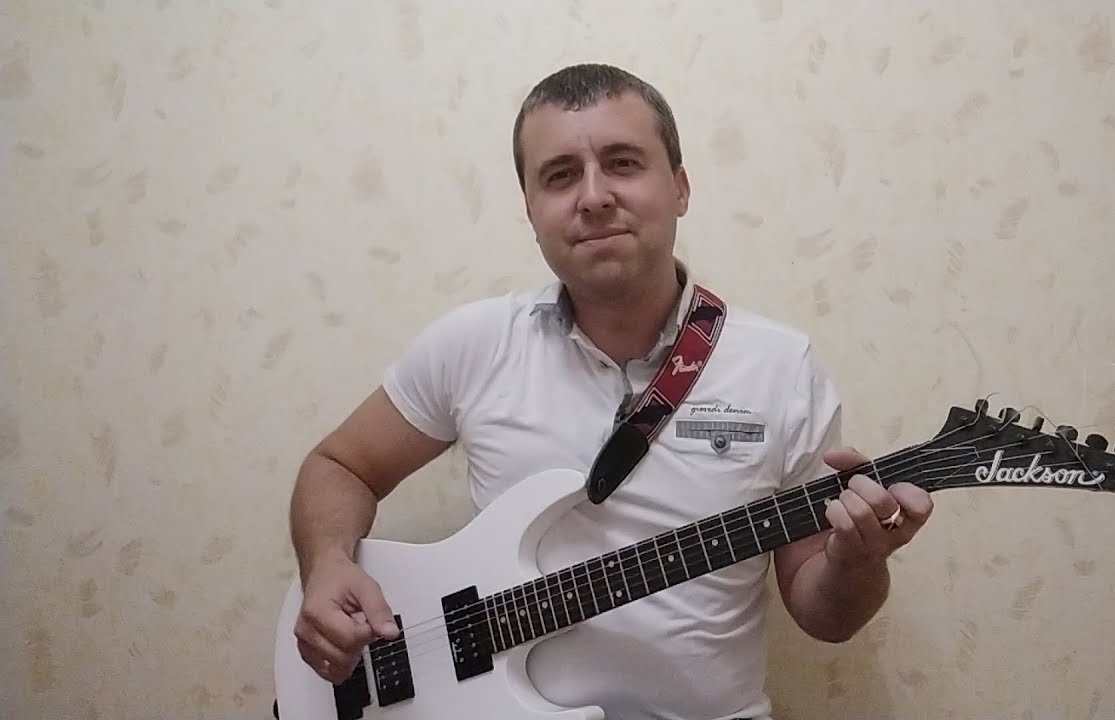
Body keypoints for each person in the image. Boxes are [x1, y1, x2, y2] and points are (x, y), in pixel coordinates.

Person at [287, 62, 934, 720]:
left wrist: (857, 563)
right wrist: (328, 563)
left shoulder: (783, 368)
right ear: (530, 210)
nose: (594, 196)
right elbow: (340, 465)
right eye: (560, 175)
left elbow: (824, 616)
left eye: (623, 164)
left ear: (680, 188)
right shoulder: (472, 345)